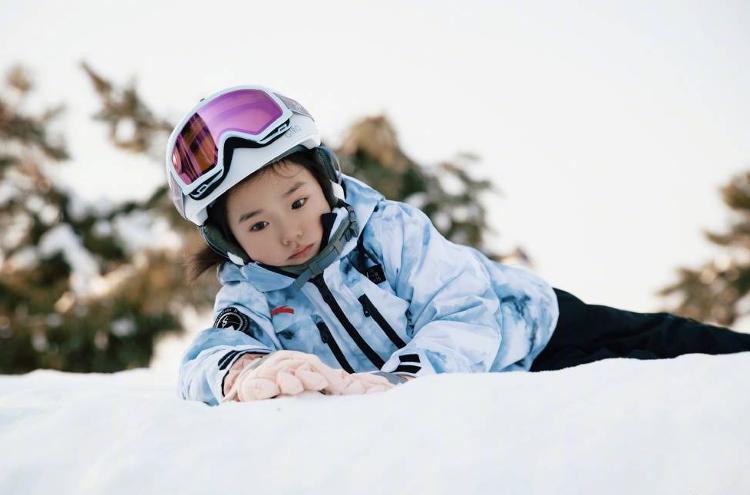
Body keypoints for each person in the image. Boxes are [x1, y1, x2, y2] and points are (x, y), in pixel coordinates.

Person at [166, 86, 750, 406]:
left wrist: (405, 379)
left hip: (532, 330)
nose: (290, 232)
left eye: (297, 202)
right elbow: (206, 357)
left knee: (668, 349)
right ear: (228, 239)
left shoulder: (387, 231)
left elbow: (465, 309)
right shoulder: (252, 295)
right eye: (258, 225)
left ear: (325, 182)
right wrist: (245, 371)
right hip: (474, 389)